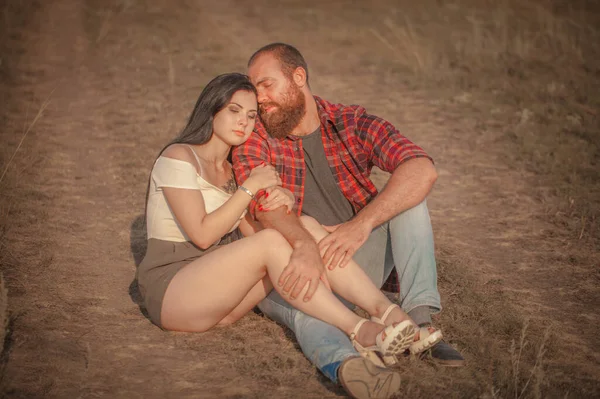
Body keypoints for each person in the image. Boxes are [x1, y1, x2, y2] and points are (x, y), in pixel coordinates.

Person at [136, 73, 438, 399]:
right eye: (235, 111)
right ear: (212, 110)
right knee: (276, 242)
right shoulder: (179, 157)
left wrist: (286, 204)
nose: (245, 123)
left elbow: (248, 232)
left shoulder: (232, 170)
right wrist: (251, 188)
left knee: (300, 226)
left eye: (252, 116)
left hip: (220, 299)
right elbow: (204, 234)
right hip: (174, 292)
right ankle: (359, 328)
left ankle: (389, 313)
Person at [232, 43, 466, 393]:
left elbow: (422, 170)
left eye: (266, 84)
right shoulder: (257, 135)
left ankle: (418, 322)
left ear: (299, 77)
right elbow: (261, 203)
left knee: (409, 201)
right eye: (255, 90)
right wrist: (303, 241)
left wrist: (360, 225)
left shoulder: (349, 121)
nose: (260, 99)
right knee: (304, 311)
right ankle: (348, 364)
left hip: (349, 258)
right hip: (291, 264)